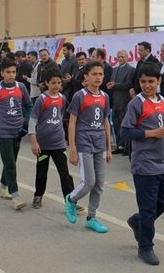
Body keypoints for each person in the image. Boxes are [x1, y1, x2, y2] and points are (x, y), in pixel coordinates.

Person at [121, 62, 164, 265]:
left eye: (151, 81)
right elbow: (125, 131)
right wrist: (149, 133)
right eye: (143, 81)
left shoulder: (163, 101)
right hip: (143, 164)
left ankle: (137, 222)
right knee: (148, 208)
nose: (146, 85)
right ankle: (145, 247)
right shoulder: (136, 102)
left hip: (161, 162)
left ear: (159, 81)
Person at [64, 61, 112, 233]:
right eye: (94, 74)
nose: (98, 77)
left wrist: (108, 147)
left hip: (100, 143)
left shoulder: (105, 97)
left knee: (99, 184)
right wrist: (72, 148)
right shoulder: (80, 95)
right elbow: (72, 123)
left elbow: (106, 121)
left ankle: (92, 217)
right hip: (84, 142)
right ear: (86, 77)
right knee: (89, 181)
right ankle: (71, 199)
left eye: (100, 74)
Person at [0, 59, 33, 210]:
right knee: (10, 164)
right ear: (2, 73)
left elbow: (28, 105)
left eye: (13, 72)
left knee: (11, 161)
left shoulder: (22, 87)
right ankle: (16, 196)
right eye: (8, 72)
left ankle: (2, 186)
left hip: (18, 130)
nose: (11, 75)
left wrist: (27, 123)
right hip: (3, 131)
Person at [28, 69, 77, 210]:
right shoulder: (42, 99)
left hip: (59, 144)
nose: (56, 86)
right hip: (43, 145)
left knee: (65, 173)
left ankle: (71, 200)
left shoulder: (62, 98)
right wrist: (34, 141)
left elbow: (61, 116)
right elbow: (33, 120)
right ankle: (38, 195)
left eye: (59, 83)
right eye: (53, 83)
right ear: (46, 83)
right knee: (41, 171)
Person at [107, 50, 136, 155]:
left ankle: (127, 148)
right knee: (116, 125)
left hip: (125, 101)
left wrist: (115, 85)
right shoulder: (114, 70)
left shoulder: (131, 70)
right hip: (115, 102)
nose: (121, 59)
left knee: (125, 126)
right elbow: (112, 82)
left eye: (123, 56)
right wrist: (110, 85)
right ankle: (120, 145)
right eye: (119, 57)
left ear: (127, 57)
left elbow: (128, 84)